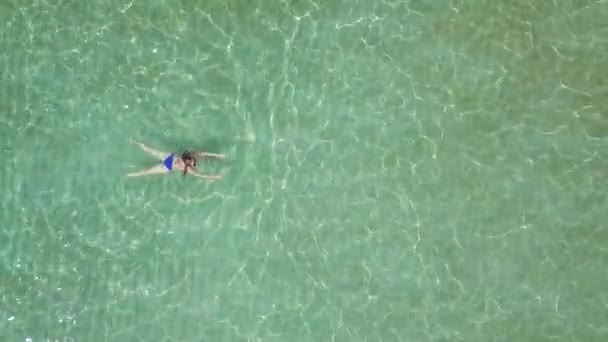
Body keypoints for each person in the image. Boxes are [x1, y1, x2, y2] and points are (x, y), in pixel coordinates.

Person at [127, 140, 227, 180]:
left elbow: (201, 174)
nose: (192, 162)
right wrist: (218, 156)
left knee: (147, 172)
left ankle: (131, 174)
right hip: (168, 157)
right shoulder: (191, 156)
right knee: (150, 150)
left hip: (166, 167)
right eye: (193, 161)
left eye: (193, 163)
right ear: (190, 159)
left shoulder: (189, 168)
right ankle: (135, 142)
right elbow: (203, 155)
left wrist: (215, 176)